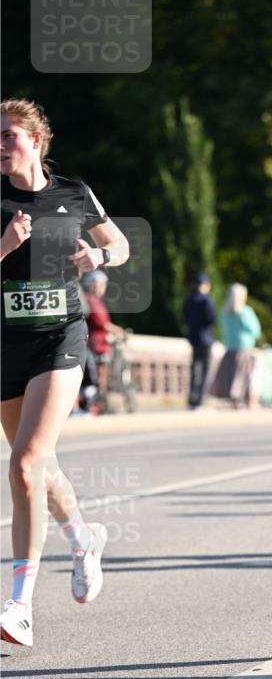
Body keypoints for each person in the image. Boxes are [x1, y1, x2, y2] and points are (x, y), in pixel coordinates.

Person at [1, 98, 129, 646]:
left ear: (36, 140)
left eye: (8, 135)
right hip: (6, 346)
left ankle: (19, 605)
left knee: (25, 463)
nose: (0, 145)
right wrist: (5, 245)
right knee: (37, 467)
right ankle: (83, 539)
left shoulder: (74, 192)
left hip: (61, 339)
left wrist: (99, 258)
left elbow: (120, 244)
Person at [212, 283, 261, 410]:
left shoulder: (224, 312)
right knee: (244, 376)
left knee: (230, 376)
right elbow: (256, 331)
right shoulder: (245, 312)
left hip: (229, 347)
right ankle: (245, 401)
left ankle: (234, 400)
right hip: (244, 348)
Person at [82, 269, 125, 411]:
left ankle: (99, 403)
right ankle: (97, 404)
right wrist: (119, 331)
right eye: (100, 284)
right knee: (100, 376)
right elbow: (103, 323)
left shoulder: (95, 300)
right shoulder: (92, 300)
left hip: (99, 343)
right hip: (97, 344)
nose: (102, 288)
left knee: (101, 376)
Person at [183, 271, 216, 409]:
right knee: (205, 371)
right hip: (206, 339)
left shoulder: (189, 300)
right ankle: (200, 400)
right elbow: (211, 319)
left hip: (193, 338)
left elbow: (184, 319)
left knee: (195, 370)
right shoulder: (206, 300)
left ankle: (192, 399)